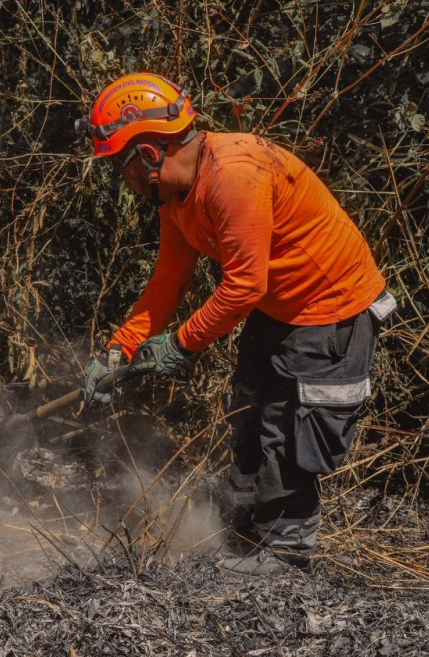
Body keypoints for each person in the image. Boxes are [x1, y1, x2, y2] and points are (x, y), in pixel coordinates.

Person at [75, 73, 395, 577]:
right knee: (249, 409)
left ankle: (286, 552)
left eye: (121, 165)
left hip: (331, 310)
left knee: (289, 427)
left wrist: (182, 343)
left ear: (150, 154)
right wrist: (119, 350)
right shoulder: (176, 198)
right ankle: (244, 531)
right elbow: (168, 282)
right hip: (278, 305)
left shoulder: (234, 176)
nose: (124, 180)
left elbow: (244, 284)